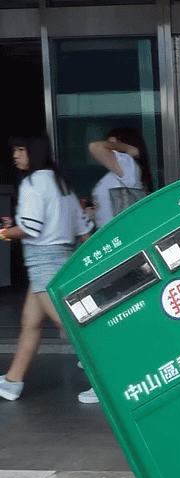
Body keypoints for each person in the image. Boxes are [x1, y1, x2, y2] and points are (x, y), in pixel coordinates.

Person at [0, 136, 96, 403]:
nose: (16, 155)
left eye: (21, 150)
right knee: (30, 323)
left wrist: (3, 233)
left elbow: (30, 228)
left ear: (35, 152)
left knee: (71, 328)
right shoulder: (61, 183)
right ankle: (12, 381)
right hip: (59, 259)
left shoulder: (33, 183)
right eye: (15, 150)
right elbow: (84, 230)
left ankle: (108, 383)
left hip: (44, 262)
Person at [89, 126, 153, 229]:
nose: (111, 152)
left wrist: (129, 148)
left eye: (114, 147)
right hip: (113, 235)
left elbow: (95, 147)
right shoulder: (120, 171)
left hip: (119, 234)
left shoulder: (127, 163)